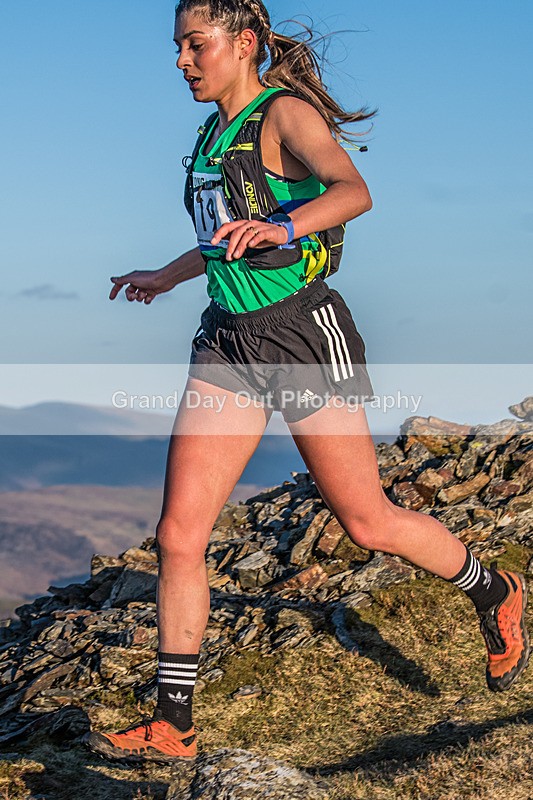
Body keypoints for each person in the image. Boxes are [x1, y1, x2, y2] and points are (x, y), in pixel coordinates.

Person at [84, 0, 529, 764]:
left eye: (195, 44)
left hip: (299, 337)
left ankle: (493, 590)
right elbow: (223, 236)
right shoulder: (210, 134)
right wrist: (166, 274)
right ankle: (173, 724)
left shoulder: (282, 115)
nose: (182, 60)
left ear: (243, 42)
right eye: (178, 47)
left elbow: (353, 191)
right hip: (227, 340)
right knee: (179, 535)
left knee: (366, 522)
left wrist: (286, 226)